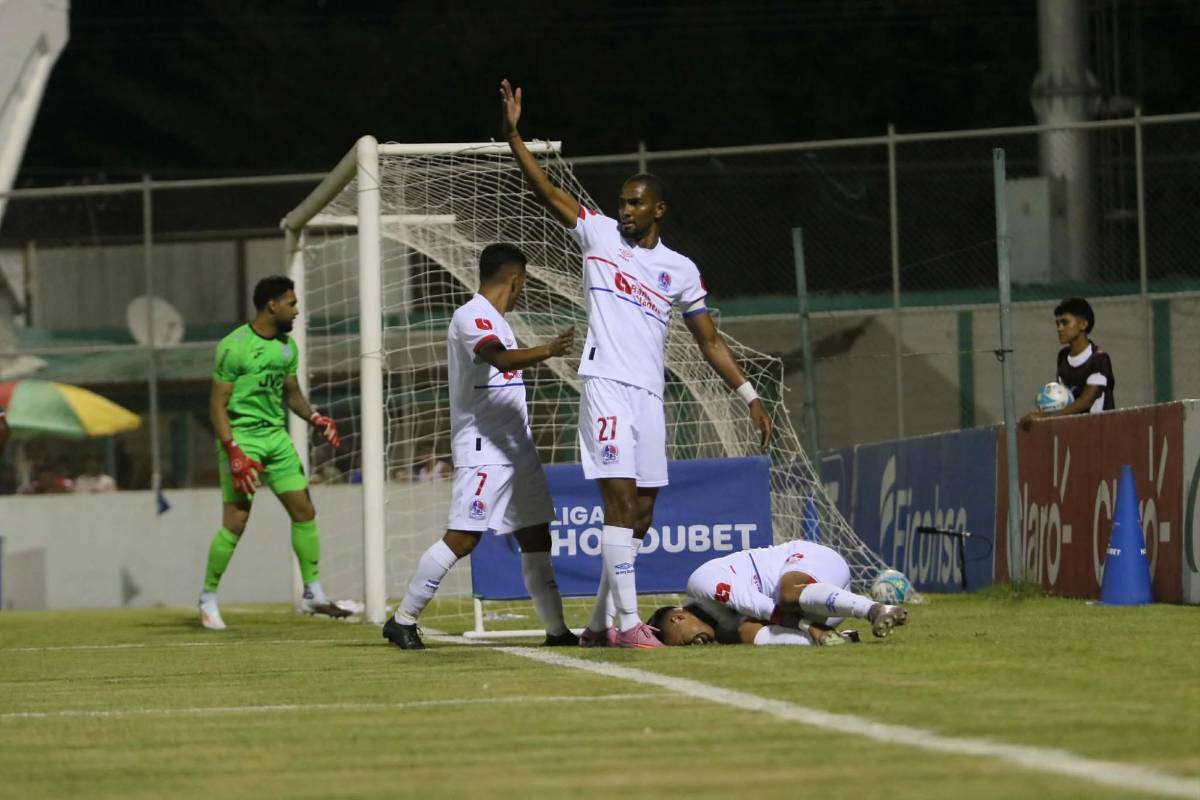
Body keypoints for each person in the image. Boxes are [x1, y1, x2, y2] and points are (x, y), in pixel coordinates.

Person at [501, 79, 773, 649]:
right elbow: (547, 190)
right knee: (620, 505)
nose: (623, 210)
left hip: (649, 394)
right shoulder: (599, 235)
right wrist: (514, 136)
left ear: (657, 209)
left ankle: (599, 624)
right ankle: (628, 626)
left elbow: (709, 341)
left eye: (634, 203)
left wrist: (749, 396)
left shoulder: (680, 269)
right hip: (606, 386)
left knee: (642, 516)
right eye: (621, 202)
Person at [383, 243, 577, 650]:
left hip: (517, 451)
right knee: (463, 538)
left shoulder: (500, 321)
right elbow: (500, 359)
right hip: (484, 447)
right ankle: (402, 620)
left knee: (536, 537)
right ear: (516, 280)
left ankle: (558, 631)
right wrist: (548, 349)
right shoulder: (471, 315)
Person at [199, 275, 348, 631]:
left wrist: (315, 418)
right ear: (272, 304)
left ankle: (313, 593)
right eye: (291, 303)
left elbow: (291, 393)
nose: (296, 311)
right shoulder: (233, 346)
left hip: (275, 439)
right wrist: (233, 451)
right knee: (236, 522)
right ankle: (207, 598)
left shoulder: (286, 347)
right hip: (241, 440)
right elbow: (217, 405)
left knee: (304, 510)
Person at [648, 538, 908, 647]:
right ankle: (840, 640)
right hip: (824, 607)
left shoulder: (702, 584)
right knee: (745, 633)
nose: (696, 645)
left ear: (678, 617)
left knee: (786, 595)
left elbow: (764, 607)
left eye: (685, 641)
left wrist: (811, 627)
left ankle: (875, 609)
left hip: (811, 563)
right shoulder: (723, 629)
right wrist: (817, 630)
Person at [1022, 296, 1116, 428]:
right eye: (1057, 323)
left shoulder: (1099, 359)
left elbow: (1087, 400)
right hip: (1074, 430)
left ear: (1083, 324)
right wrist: (1041, 413)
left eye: (1065, 322)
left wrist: (1047, 418)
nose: (1059, 328)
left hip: (1100, 431)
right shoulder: (1063, 356)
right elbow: (1064, 399)